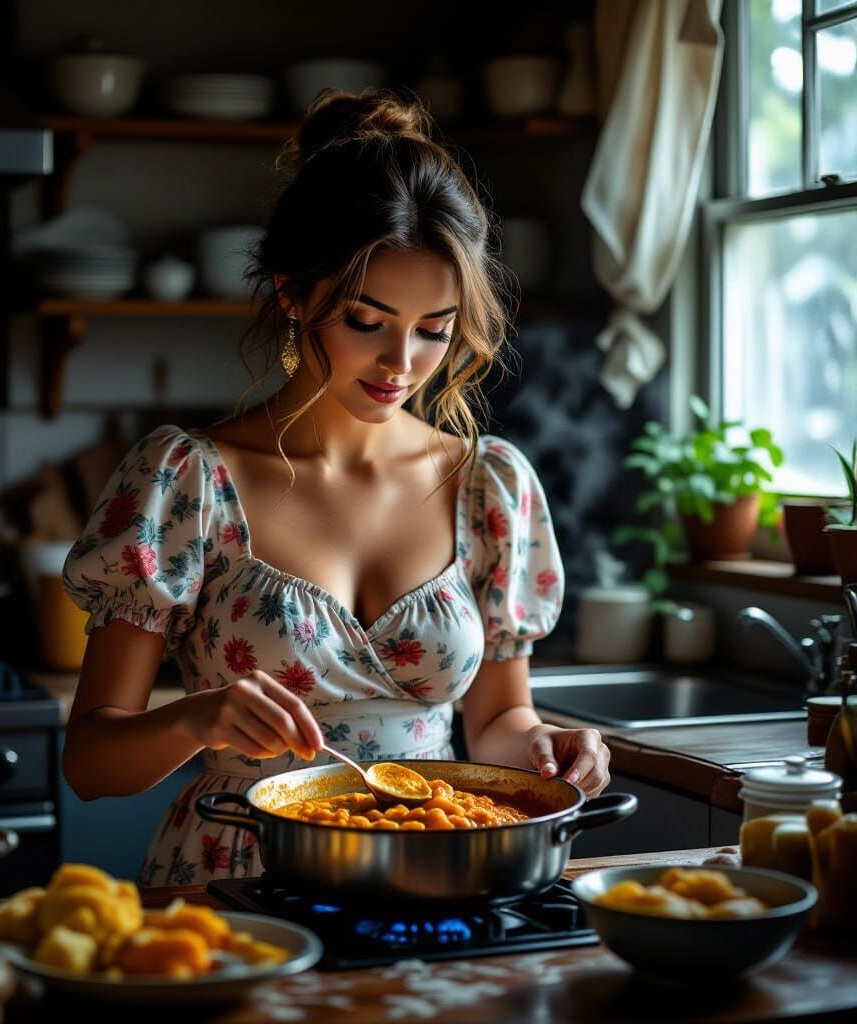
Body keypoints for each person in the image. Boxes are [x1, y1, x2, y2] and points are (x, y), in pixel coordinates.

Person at [61, 88, 611, 888]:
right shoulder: (187, 482)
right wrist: (195, 719)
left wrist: (542, 746)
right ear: (292, 294)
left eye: (434, 329)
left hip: (434, 869)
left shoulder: (486, 485)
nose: (401, 364)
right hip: (243, 881)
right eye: (366, 320)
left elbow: (494, 721)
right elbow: (90, 763)